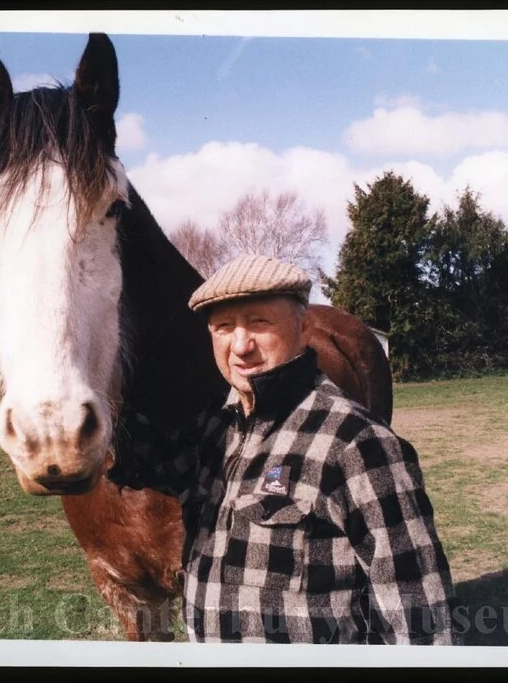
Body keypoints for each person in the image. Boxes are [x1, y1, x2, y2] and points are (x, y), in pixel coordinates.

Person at [108, 255, 461, 645]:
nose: (241, 345)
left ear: (304, 326)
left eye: (259, 322)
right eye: (224, 327)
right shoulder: (214, 430)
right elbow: (146, 460)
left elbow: (423, 618)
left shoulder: (358, 443)